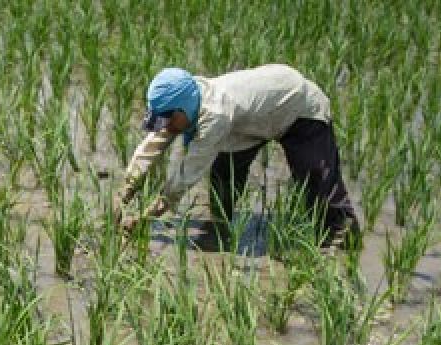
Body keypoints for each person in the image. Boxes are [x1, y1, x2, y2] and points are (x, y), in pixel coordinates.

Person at [113, 64, 359, 249]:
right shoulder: (190, 96)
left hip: (298, 108)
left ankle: (343, 235)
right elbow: (153, 143)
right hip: (251, 121)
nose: (166, 126)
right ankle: (220, 227)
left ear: (181, 110)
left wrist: (145, 217)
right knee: (225, 173)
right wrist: (124, 192)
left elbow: (185, 176)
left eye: (169, 119)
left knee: (316, 178)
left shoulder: (215, 115)